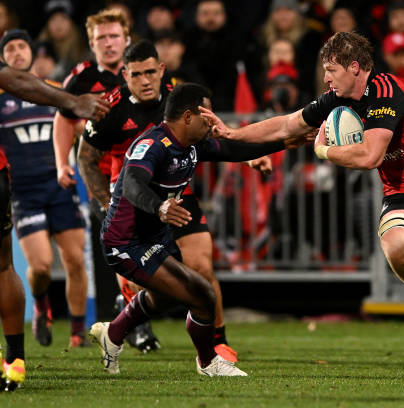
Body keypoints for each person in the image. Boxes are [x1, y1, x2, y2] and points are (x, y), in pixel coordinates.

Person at [201, 31, 404, 378]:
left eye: (331, 69)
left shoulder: (388, 92)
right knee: (396, 246)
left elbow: (370, 156)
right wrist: (234, 133)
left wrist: (323, 150)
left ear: (354, 67)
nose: (326, 78)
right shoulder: (335, 99)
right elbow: (286, 124)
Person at [89, 82, 298, 376]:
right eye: (207, 115)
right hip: (125, 242)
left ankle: (112, 335)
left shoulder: (191, 145)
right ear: (188, 117)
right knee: (202, 294)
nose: (212, 121)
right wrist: (159, 207)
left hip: (154, 237)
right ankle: (208, 362)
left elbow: (232, 148)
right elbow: (132, 184)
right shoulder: (153, 144)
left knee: (164, 297)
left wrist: (286, 141)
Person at [78, 39, 246, 360]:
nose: (144, 80)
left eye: (150, 72)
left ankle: (217, 343)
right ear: (124, 75)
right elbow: (86, 159)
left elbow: (217, 140)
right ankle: (124, 321)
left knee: (200, 268)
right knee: (157, 288)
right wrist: (103, 204)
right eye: (136, 74)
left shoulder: (180, 100)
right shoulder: (109, 108)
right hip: (135, 203)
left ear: (161, 70)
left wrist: (253, 157)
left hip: (178, 198)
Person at [0, 30, 108, 393]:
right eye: (9, 48)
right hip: (22, 190)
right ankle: (19, 350)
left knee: (74, 259)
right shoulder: (13, 91)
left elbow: (77, 126)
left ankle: (73, 332)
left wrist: (75, 107)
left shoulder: (46, 87)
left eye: (21, 46)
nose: (16, 53)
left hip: (56, 186)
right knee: (33, 266)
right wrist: (75, 102)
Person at [53, 8, 161, 351]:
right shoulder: (82, 79)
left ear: (126, 39)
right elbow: (62, 119)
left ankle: (125, 309)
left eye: (114, 36)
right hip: (104, 178)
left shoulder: (145, 70)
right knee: (123, 245)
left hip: (151, 179)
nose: (108, 43)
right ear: (91, 43)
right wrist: (61, 163)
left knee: (144, 249)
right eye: (101, 38)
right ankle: (137, 321)